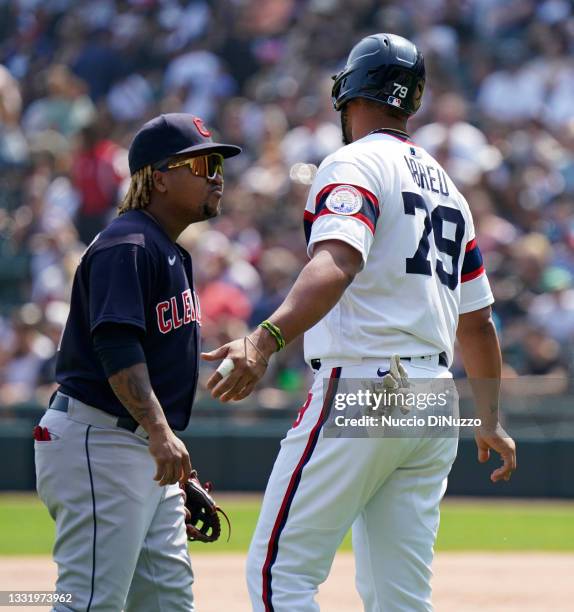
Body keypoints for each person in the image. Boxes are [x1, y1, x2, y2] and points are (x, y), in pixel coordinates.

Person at [202, 34, 516, 611]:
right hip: (435, 400)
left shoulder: (353, 161)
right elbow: (477, 322)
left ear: (349, 90)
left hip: (370, 387)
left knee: (280, 576)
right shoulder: (449, 188)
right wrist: (489, 418)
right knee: (401, 599)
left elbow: (338, 262)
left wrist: (266, 337)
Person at [34, 113, 240, 611]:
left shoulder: (165, 249)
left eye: (218, 163)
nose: (216, 174)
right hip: (99, 438)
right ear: (159, 176)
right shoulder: (127, 244)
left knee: (167, 602)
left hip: (137, 447)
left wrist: (165, 450)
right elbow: (117, 348)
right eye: (202, 163)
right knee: (91, 602)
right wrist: (158, 433)